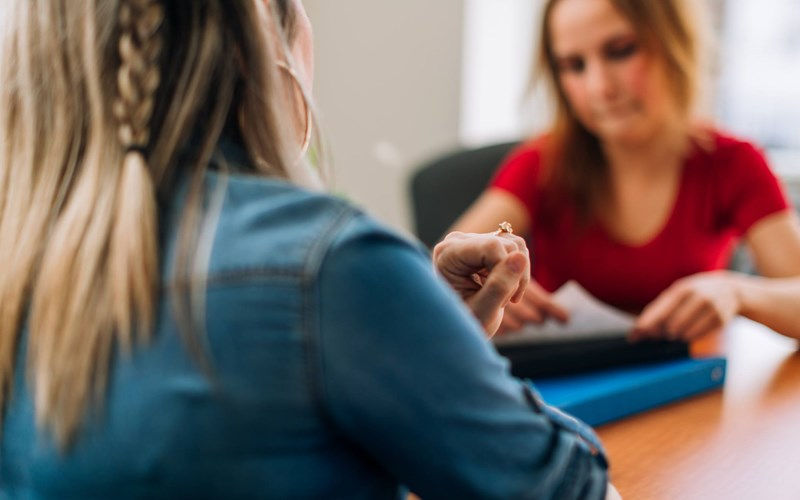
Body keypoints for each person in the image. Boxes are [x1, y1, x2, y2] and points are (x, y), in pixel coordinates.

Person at [0, 1, 617, 498]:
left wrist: (428, 337)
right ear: (268, 32)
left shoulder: (20, 264)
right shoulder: (329, 268)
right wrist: (422, 340)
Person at [453, 0, 800, 343]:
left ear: (673, 42)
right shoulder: (542, 163)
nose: (600, 87)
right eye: (574, 65)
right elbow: (443, 275)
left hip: (689, 380)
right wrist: (478, 291)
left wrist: (737, 292)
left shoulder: (731, 162)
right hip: (556, 381)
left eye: (621, 51)